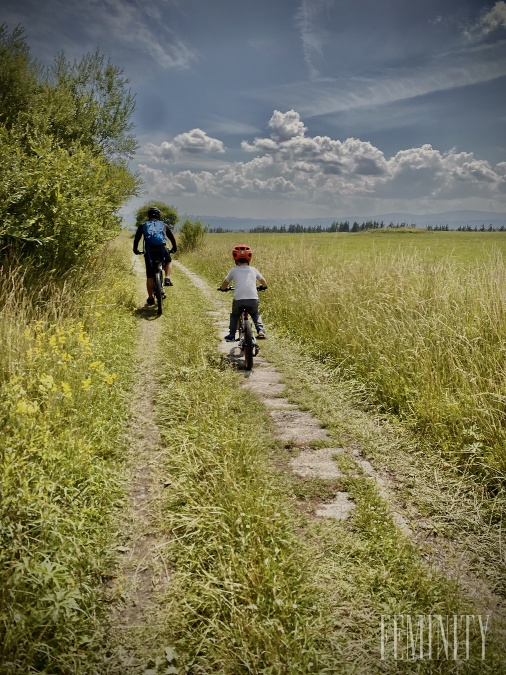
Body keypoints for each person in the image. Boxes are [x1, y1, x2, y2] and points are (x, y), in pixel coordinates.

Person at [220, 244, 267, 341]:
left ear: (235, 258)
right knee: (255, 314)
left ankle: (232, 335)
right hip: (253, 300)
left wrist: (223, 288)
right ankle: (260, 330)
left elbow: (225, 284)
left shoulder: (233, 270)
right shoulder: (253, 270)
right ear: (249, 258)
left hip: (239, 300)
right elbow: (263, 282)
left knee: (234, 315)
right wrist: (263, 287)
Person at [133, 207, 177, 306]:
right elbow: (172, 238)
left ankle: (150, 298)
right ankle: (167, 278)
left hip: (149, 252)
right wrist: (174, 248)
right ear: (158, 215)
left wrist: (135, 250)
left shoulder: (143, 225)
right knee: (168, 261)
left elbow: (137, 240)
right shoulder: (163, 225)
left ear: (148, 215)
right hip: (162, 249)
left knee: (150, 275)